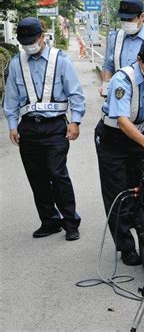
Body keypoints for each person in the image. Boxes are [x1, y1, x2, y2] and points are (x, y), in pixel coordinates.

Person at [3, 17, 85, 241]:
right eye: (24, 42)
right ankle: (49, 221)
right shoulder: (16, 63)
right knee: (36, 177)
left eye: (32, 40)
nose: (28, 45)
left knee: (57, 174)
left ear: (42, 36)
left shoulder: (61, 60)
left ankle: (70, 222)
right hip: (28, 128)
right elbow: (10, 98)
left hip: (55, 127)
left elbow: (76, 94)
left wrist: (75, 121)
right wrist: (12, 125)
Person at [95, 37, 144, 265]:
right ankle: (126, 247)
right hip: (113, 139)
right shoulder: (122, 79)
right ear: (140, 60)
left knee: (143, 189)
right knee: (118, 194)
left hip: (141, 135)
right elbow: (122, 120)